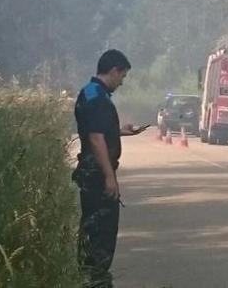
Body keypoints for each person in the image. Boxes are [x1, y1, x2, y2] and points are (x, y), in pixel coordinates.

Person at [72, 49, 147, 287]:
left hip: (92, 172)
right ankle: (96, 279)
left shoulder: (92, 92)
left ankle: (92, 276)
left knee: (94, 228)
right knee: (100, 231)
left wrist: (122, 131)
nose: (122, 82)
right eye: (122, 76)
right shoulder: (97, 98)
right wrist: (109, 177)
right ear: (113, 70)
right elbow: (95, 138)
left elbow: (100, 131)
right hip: (96, 174)